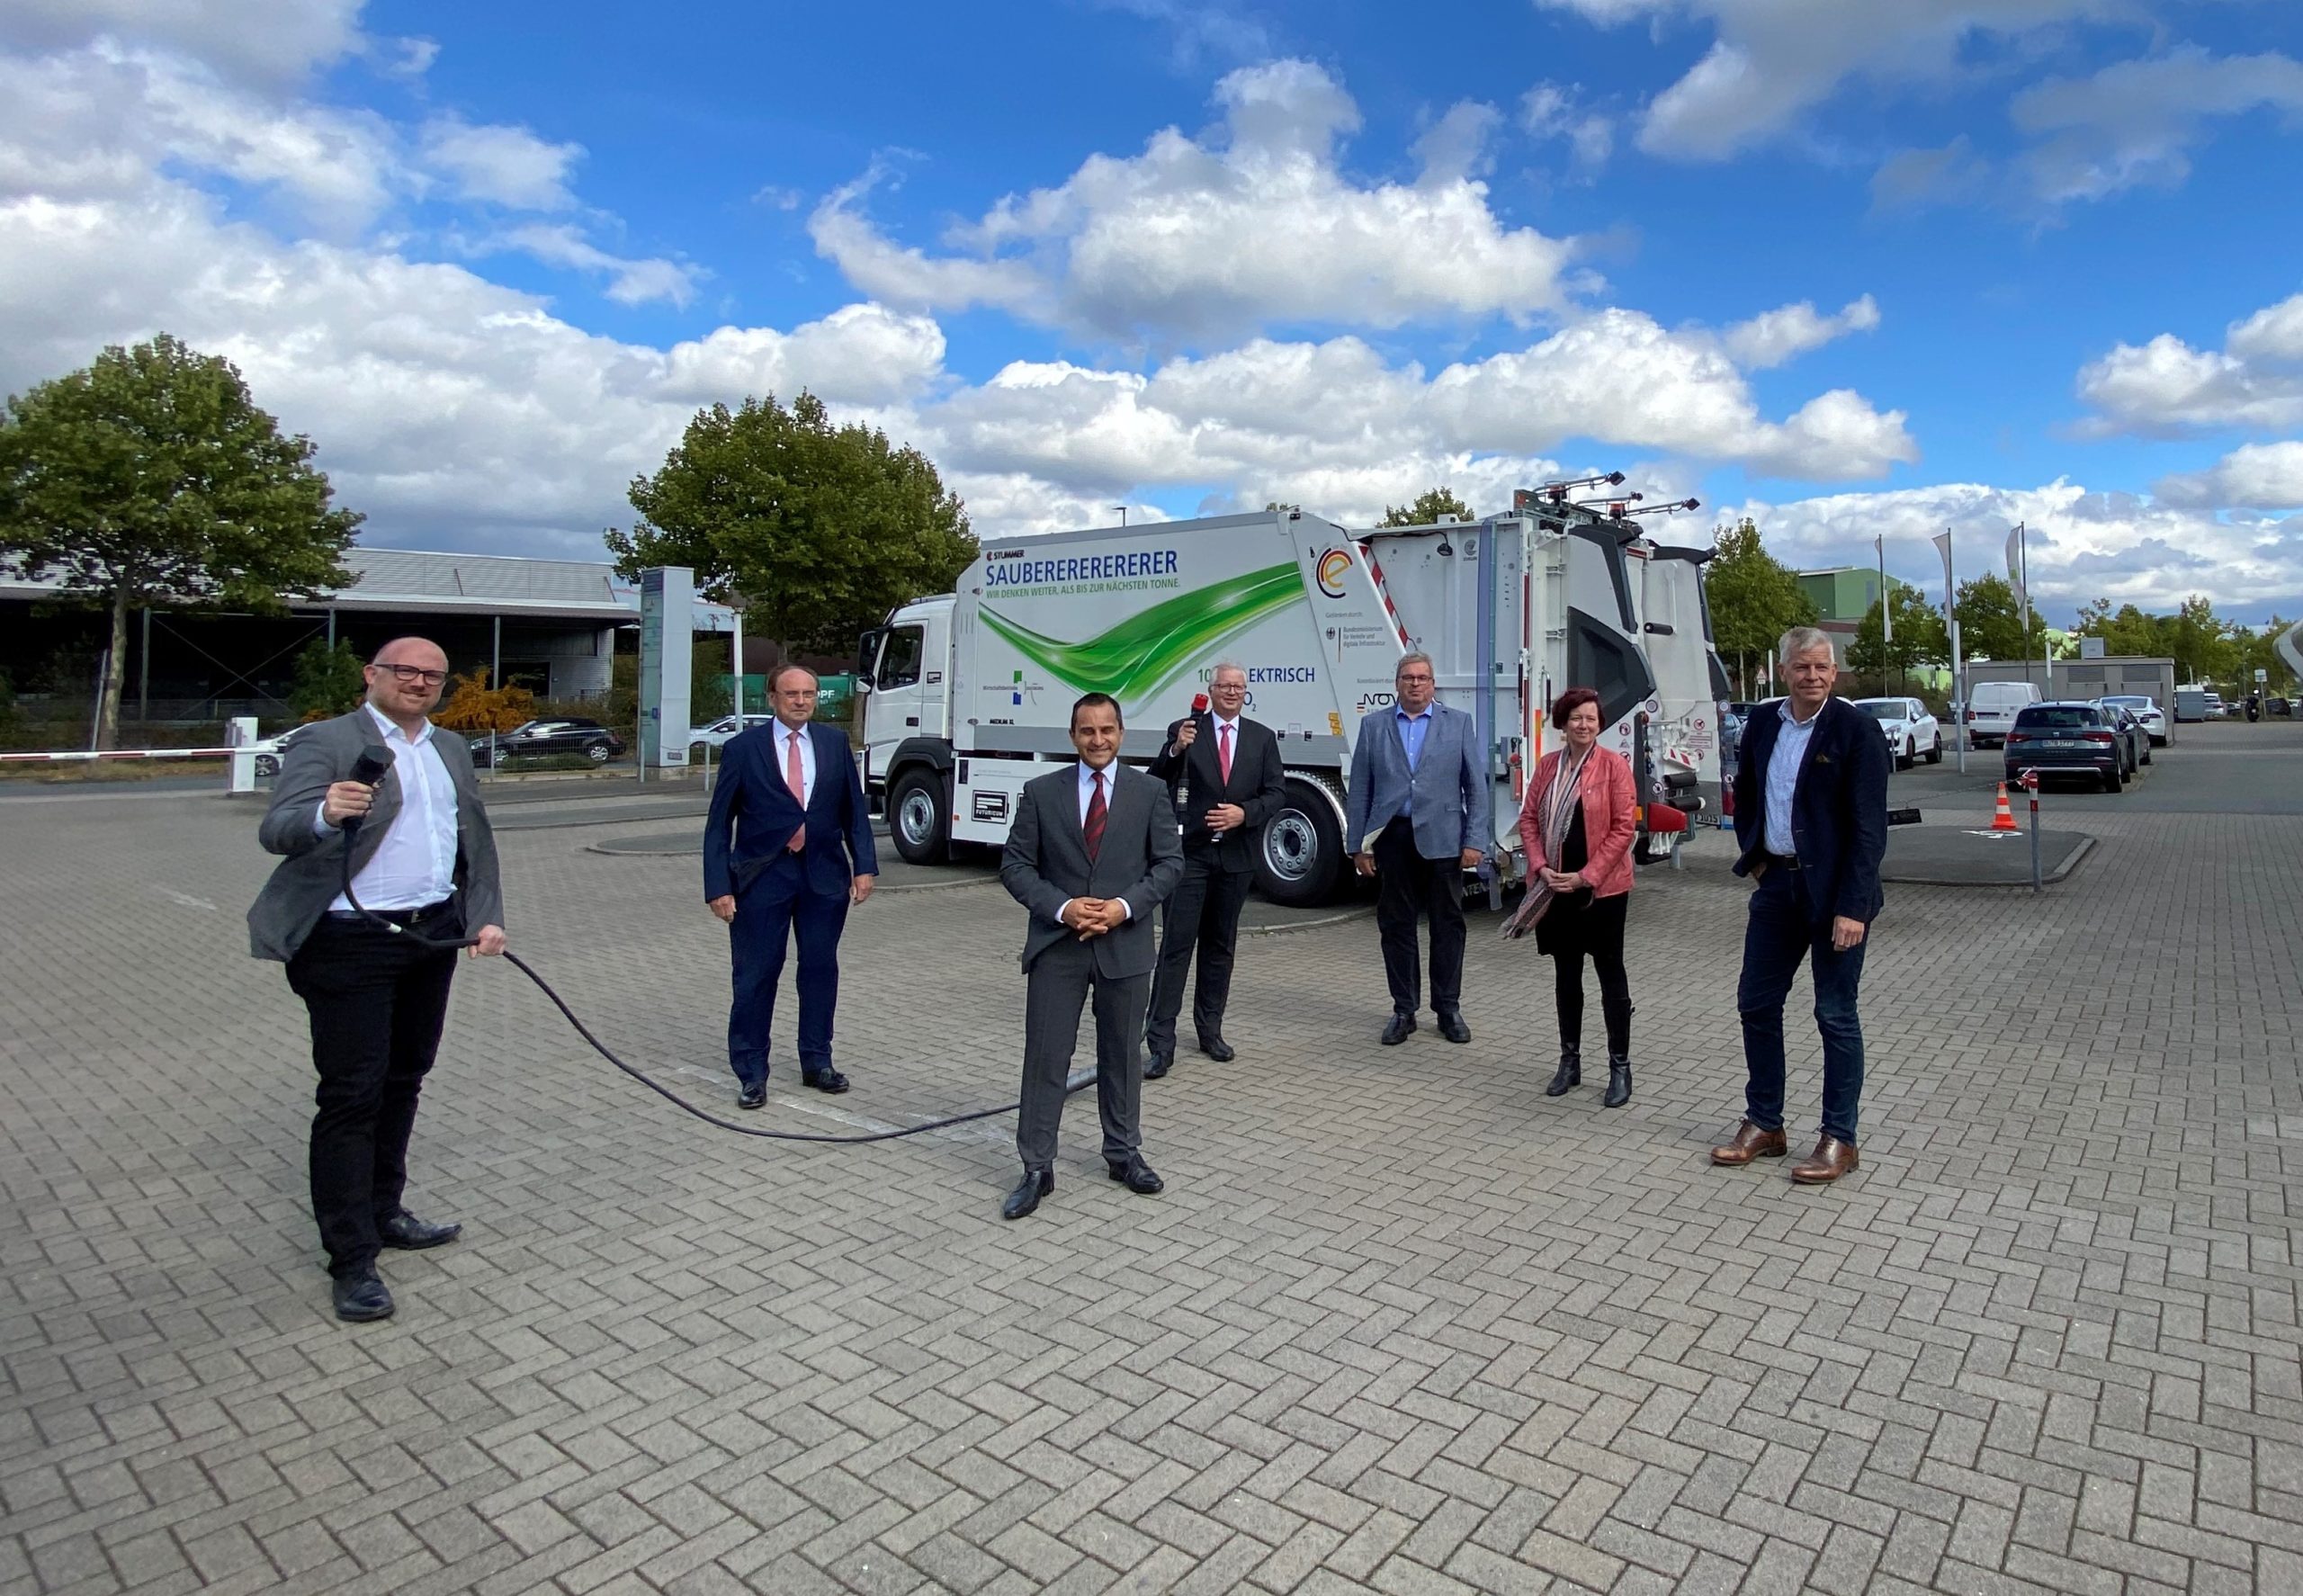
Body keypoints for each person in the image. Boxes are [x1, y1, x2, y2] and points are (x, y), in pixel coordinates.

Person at [248, 638, 506, 1323]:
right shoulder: (328, 740)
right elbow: (277, 830)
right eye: (406, 671)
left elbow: (473, 838)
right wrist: (323, 814)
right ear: (373, 675)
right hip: (348, 940)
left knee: (404, 1079)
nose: (419, 682)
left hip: (430, 934)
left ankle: (385, 1210)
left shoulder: (450, 748)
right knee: (352, 1096)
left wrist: (485, 916)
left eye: (433, 675)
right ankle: (351, 1257)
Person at [1711, 627, 1888, 1185]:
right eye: (1802, 667)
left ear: (1834, 673)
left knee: (1834, 1014)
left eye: (1821, 667)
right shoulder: (1764, 722)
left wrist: (1853, 907)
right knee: (1756, 1004)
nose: (1812, 676)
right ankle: (1765, 1123)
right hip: (1776, 889)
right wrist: (1756, 859)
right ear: (1784, 671)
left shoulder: (1856, 730)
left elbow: (1869, 828)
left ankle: (1840, 1138)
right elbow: (1745, 794)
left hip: (1836, 897)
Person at [997, 693, 1184, 1220]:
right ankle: (1037, 1166)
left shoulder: (1149, 792)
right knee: (1046, 1057)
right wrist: (1063, 907)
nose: (1097, 740)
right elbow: (1015, 866)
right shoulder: (1041, 793)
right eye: (1087, 731)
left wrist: (1124, 907)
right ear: (1073, 736)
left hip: (1125, 946)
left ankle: (1123, 1154)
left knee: (1122, 1054)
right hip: (1058, 946)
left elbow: (1170, 864)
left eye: (1106, 730)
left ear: (1121, 733)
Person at [703, 664, 878, 1107]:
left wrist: (864, 866)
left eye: (809, 694)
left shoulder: (834, 743)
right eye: (791, 694)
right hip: (762, 876)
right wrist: (718, 886)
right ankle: (751, 1072)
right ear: (772, 698)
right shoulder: (743, 749)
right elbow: (719, 825)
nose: (801, 701)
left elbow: (854, 811)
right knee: (756, 975)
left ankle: (817, 1062)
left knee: (819, 970)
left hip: (823, 877)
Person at [1142, 662, 1286, 1078]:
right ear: (1211, 690)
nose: (1231, 692)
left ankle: (1210, 1031)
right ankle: (1160, 1042)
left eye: (1238, 687)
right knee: (1176, 948)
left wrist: (1244, 813)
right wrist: (1175, 750)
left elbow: (1276, 793)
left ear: (1246, 692)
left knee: (1220, 948)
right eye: (1224, 686)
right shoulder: (1187, 729)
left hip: (1235, 859)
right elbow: (1157, 780)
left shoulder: (1262, 738)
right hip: (1190, 857)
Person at [1344, 652, 1492, 1045]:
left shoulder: (1457, 723)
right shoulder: (1374, 726)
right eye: (1408, 677)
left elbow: (1475, 787)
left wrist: (1475, 840)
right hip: (1393, 838)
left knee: (1448, 926)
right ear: (1396, 684)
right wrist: (1358, 846)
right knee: (1396, 926)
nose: (1415, 684)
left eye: (1422, 678)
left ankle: (1448, 1009)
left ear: (1433, 684)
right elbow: (1360, 790)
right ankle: (1403, 1010)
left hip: (1444, 839)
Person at [1515, 687, 1639, 1107]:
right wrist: (1540, 866)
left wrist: (1587, 876)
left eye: (1590, 718)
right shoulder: (1548, 766)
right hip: (1555, 889)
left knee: (1610, 975)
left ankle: (1619, 1066)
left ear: (1599, 724)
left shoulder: (1614, 766)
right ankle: (1570, 1061)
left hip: (1602, 891)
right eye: (1576, 718)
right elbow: (1528, 820)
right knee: (1566, 976)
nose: (1584, 725)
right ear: (1563, 724)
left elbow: (1624, 828)